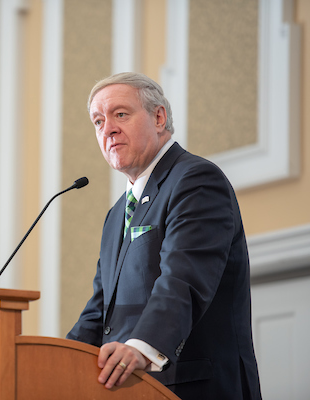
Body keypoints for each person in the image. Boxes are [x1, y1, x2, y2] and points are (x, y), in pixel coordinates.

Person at [66, 72, 262, 399]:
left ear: (159, 117)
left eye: (121, 114)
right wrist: (58, 359)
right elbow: (100, 309)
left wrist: (143, 347)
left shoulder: (195, 180)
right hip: (135, 390)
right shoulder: (116, 215)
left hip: (194, 387)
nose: (108, 128)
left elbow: (183, 279)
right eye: (98, 121)